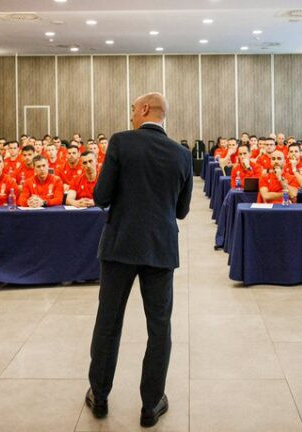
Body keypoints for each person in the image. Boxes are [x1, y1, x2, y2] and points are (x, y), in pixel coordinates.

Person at [86, 92, 192, 428]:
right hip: (160, 249)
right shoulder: (182, 154)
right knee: (159, 327)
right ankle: (151, 404)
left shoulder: (121, 142)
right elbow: (182, 211)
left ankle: (99, 396)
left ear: (145, 109)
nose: (131, 114)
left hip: (119, 246)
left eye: (133, 109)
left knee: (109, 321)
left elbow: (101, 196)